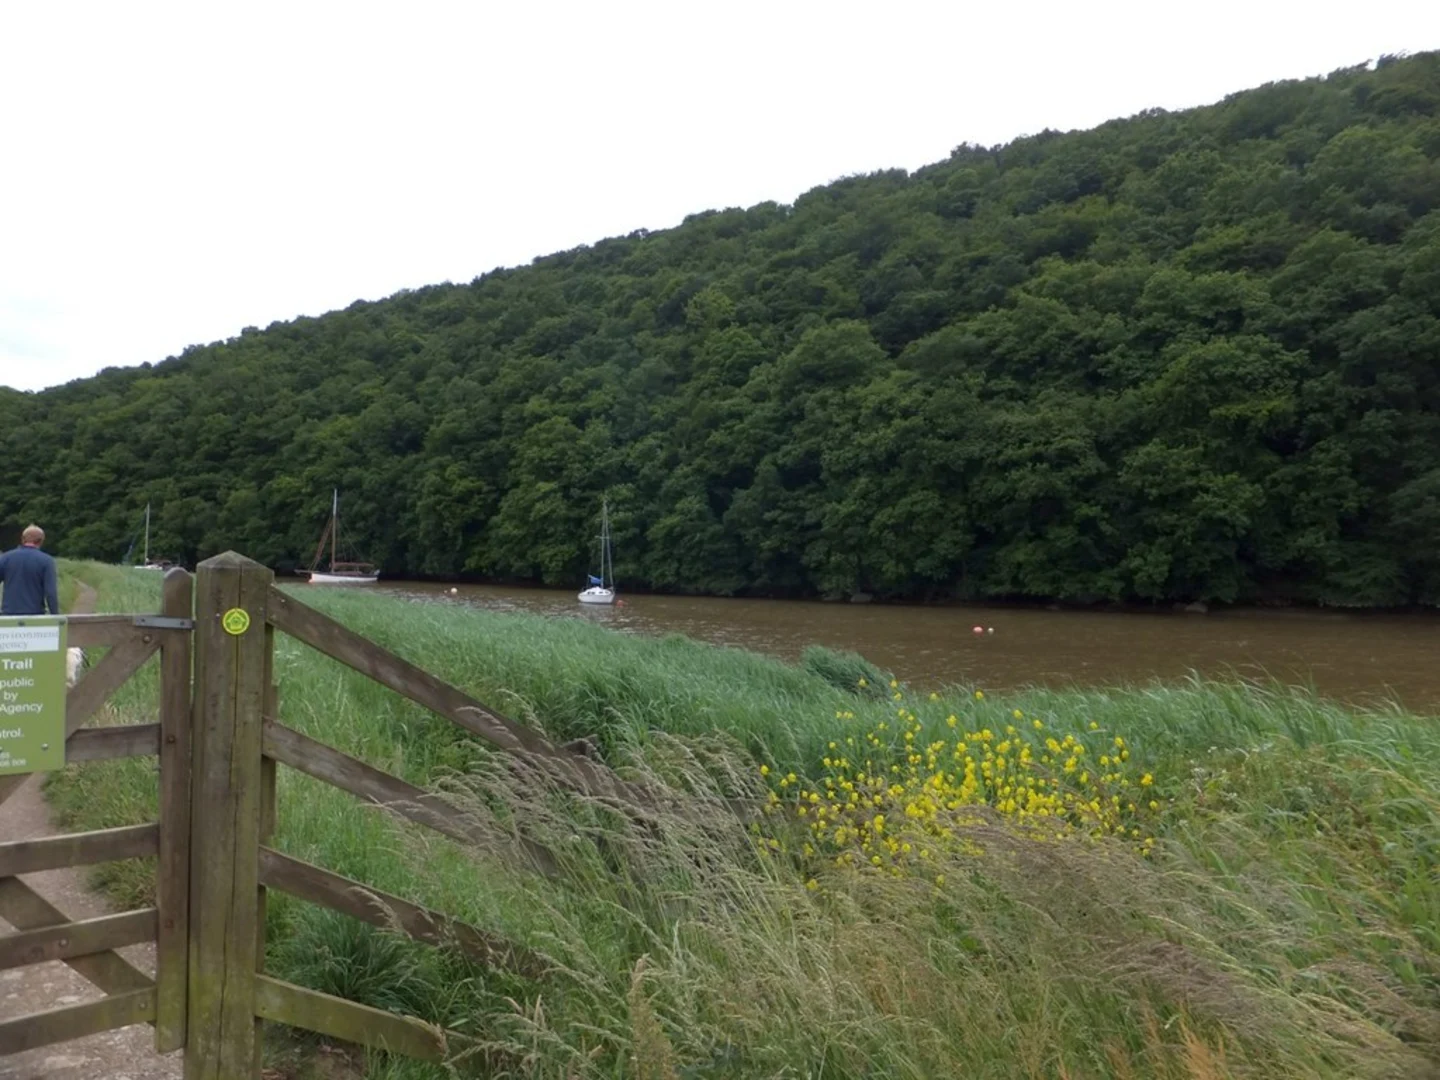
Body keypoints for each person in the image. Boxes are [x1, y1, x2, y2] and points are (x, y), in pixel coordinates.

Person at [0, 524, 61, 616]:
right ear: (41, 541)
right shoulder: (47, 561)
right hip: (35, 615)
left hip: (9, 614)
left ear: (22, 539)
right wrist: (55, 615)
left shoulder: (5, 558)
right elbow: (50, 593)